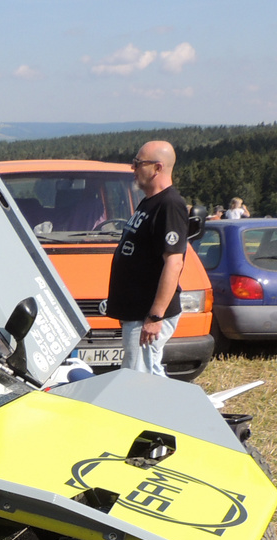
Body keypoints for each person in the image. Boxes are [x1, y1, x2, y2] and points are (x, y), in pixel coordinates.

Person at [106, 141, 189, 379]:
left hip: (147, 316)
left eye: (138, 163)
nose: (133, 168)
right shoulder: (149, 202)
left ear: (157, 168)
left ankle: (164, 415)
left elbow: (174, 263)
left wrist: (155, 316)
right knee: (141, 373)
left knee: (140, 378)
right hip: (137, 312)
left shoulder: (169, 204)